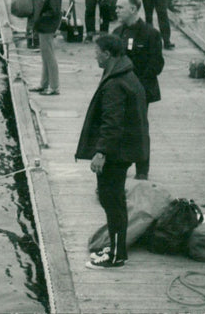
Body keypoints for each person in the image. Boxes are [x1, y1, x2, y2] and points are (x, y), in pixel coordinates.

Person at [76, 34, 148, 269]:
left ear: (107, 54)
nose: (94, 55)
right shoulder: (126, 74)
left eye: (96, 52)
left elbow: (112, 123)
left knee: (112, 201)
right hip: (126, 151)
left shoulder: (115, 83)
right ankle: (117, 248)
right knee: (114, 200)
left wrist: (101, 153)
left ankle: (116, 256)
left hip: (117, 154)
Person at [112, 0, 163, 180]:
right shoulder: (117, 34)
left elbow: (157, 63)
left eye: (120, 7)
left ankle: (142, 170)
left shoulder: (150, 34)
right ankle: (119, 168)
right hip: (119, 91)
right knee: (118, 128)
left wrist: (137, 84)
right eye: (116, 6)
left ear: (133, 9)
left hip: (141, 90)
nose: (116, 10)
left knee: (140, 129)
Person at [29, 0, 65, 96]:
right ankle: (43, 83)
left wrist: (42, 16)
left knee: (49, 55)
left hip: (47, 24)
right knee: (45, 55)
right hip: (48, 23)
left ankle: (54, 86)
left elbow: (54, 9)